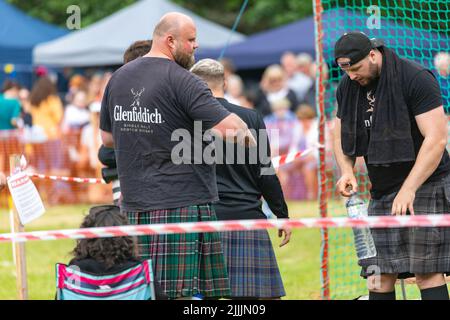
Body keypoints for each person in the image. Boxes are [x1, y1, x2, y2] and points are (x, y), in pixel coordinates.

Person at [100, 12, 255, 300]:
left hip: (134, 202)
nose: (196, 46)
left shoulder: (117, 78)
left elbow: (107, 139)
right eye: (191, 40)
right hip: (182, 202)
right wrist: (248, 133)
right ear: (170, 41)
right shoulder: (184, 80)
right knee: (180, 295)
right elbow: (233, 131)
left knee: (143, 290)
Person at [333, 32, 450, 300]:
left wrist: (409, 188)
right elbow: (340, 133)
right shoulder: (348, 87)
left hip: (426, 183)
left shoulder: (415, 78)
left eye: (357, 68)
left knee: (426, 271)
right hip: (383, 188)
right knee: (378, 273)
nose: (352, 76)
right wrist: (347, 170)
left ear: (373, 55)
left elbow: (436, 138)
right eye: (347, 70)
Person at [191, 58, 291, 299]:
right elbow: (265, 172)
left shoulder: (187, 121)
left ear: (194, 85)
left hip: (203, 219)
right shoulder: (251, 118)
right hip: (246, 219)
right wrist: (282, 214)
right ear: (224, 82)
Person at [67, 205, 167, 299]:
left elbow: (66, 296)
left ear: (86, 236)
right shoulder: (138, 269)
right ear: (126, 236)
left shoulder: (76, 267)